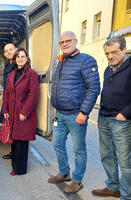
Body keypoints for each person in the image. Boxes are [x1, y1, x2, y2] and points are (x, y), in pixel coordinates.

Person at [48, 31, 100, 193]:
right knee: (57, 144)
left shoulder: (85, 60)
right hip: (60, 114)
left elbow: (94, 88)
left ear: (75, 41)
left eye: (68, 41)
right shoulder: (61, 61)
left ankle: (77, 180)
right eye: (62, 42)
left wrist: (84, 112)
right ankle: (64, 173)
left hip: (76, 115)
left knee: (79, 149)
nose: (64, 44)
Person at [91, 36, 131, 200]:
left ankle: (127, 195)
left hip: (121, 120)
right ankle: (113, 187)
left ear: (124, 49)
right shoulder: (109, 68)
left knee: (125, 161)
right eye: (107, 53)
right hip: (104, 117)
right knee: (106, 155)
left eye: (114, 52)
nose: (110, 56)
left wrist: (125, 113)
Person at [2, 48, 39, 176]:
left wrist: (25, 111)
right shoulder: (12, 74)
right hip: (12, 111)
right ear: (15, 59)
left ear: (27, 58)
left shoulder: (31, 74)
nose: (20, 59)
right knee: (14, 139)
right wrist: (5, 110)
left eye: (23, 56)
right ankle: (14, 165)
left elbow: (34, 95)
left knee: (22, 142)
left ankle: (20, 169)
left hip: (23, 113)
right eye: (18, 57)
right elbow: (6, 93)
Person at [0, 43, 16, 160]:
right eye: (6, 51)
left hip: (17, 102)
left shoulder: (19, 65)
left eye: (11, 49)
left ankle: (16, 154)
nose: (9, 52)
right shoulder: (7, 66)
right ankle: (13, 152)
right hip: (8, 100)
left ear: (16, 50)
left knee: (17, 128)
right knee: (10, 127)